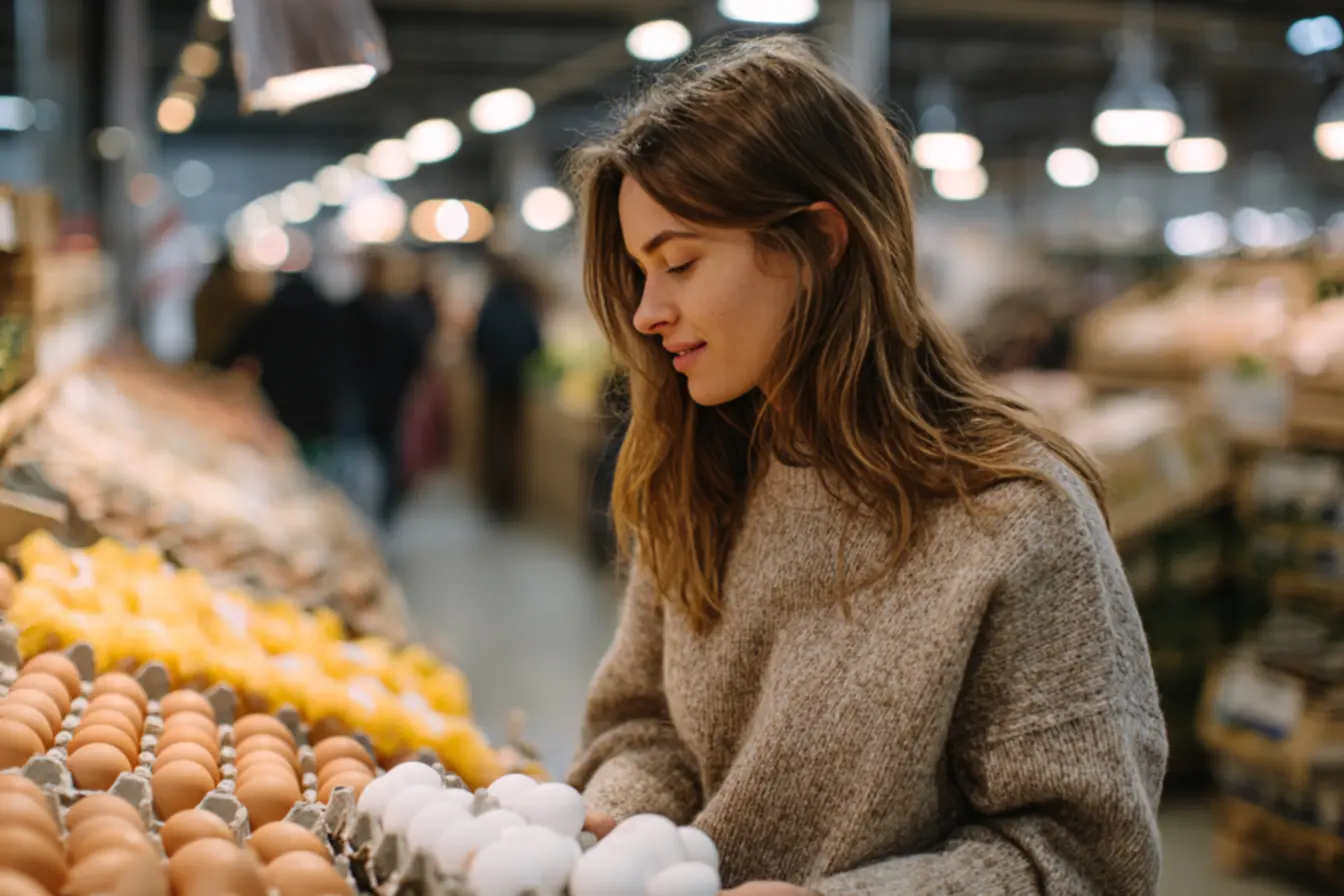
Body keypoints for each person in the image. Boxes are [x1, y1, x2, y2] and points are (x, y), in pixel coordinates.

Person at [565, 36, 1166, 895]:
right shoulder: (701, 468)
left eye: (681, 262)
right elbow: (643, 721)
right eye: (638, 271)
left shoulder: (1013, 514)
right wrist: (625, 824)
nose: (650, 312)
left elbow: (1085, 860)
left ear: (817, 240)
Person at [472, 252, 544, 521]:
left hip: (492, 384)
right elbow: (536, 346)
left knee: (492, 441)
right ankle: (511, 499)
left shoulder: (489, 307)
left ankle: (494, 497)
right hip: (516, 385)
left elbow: (476, 345)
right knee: (513, 444)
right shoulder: (525, 308)